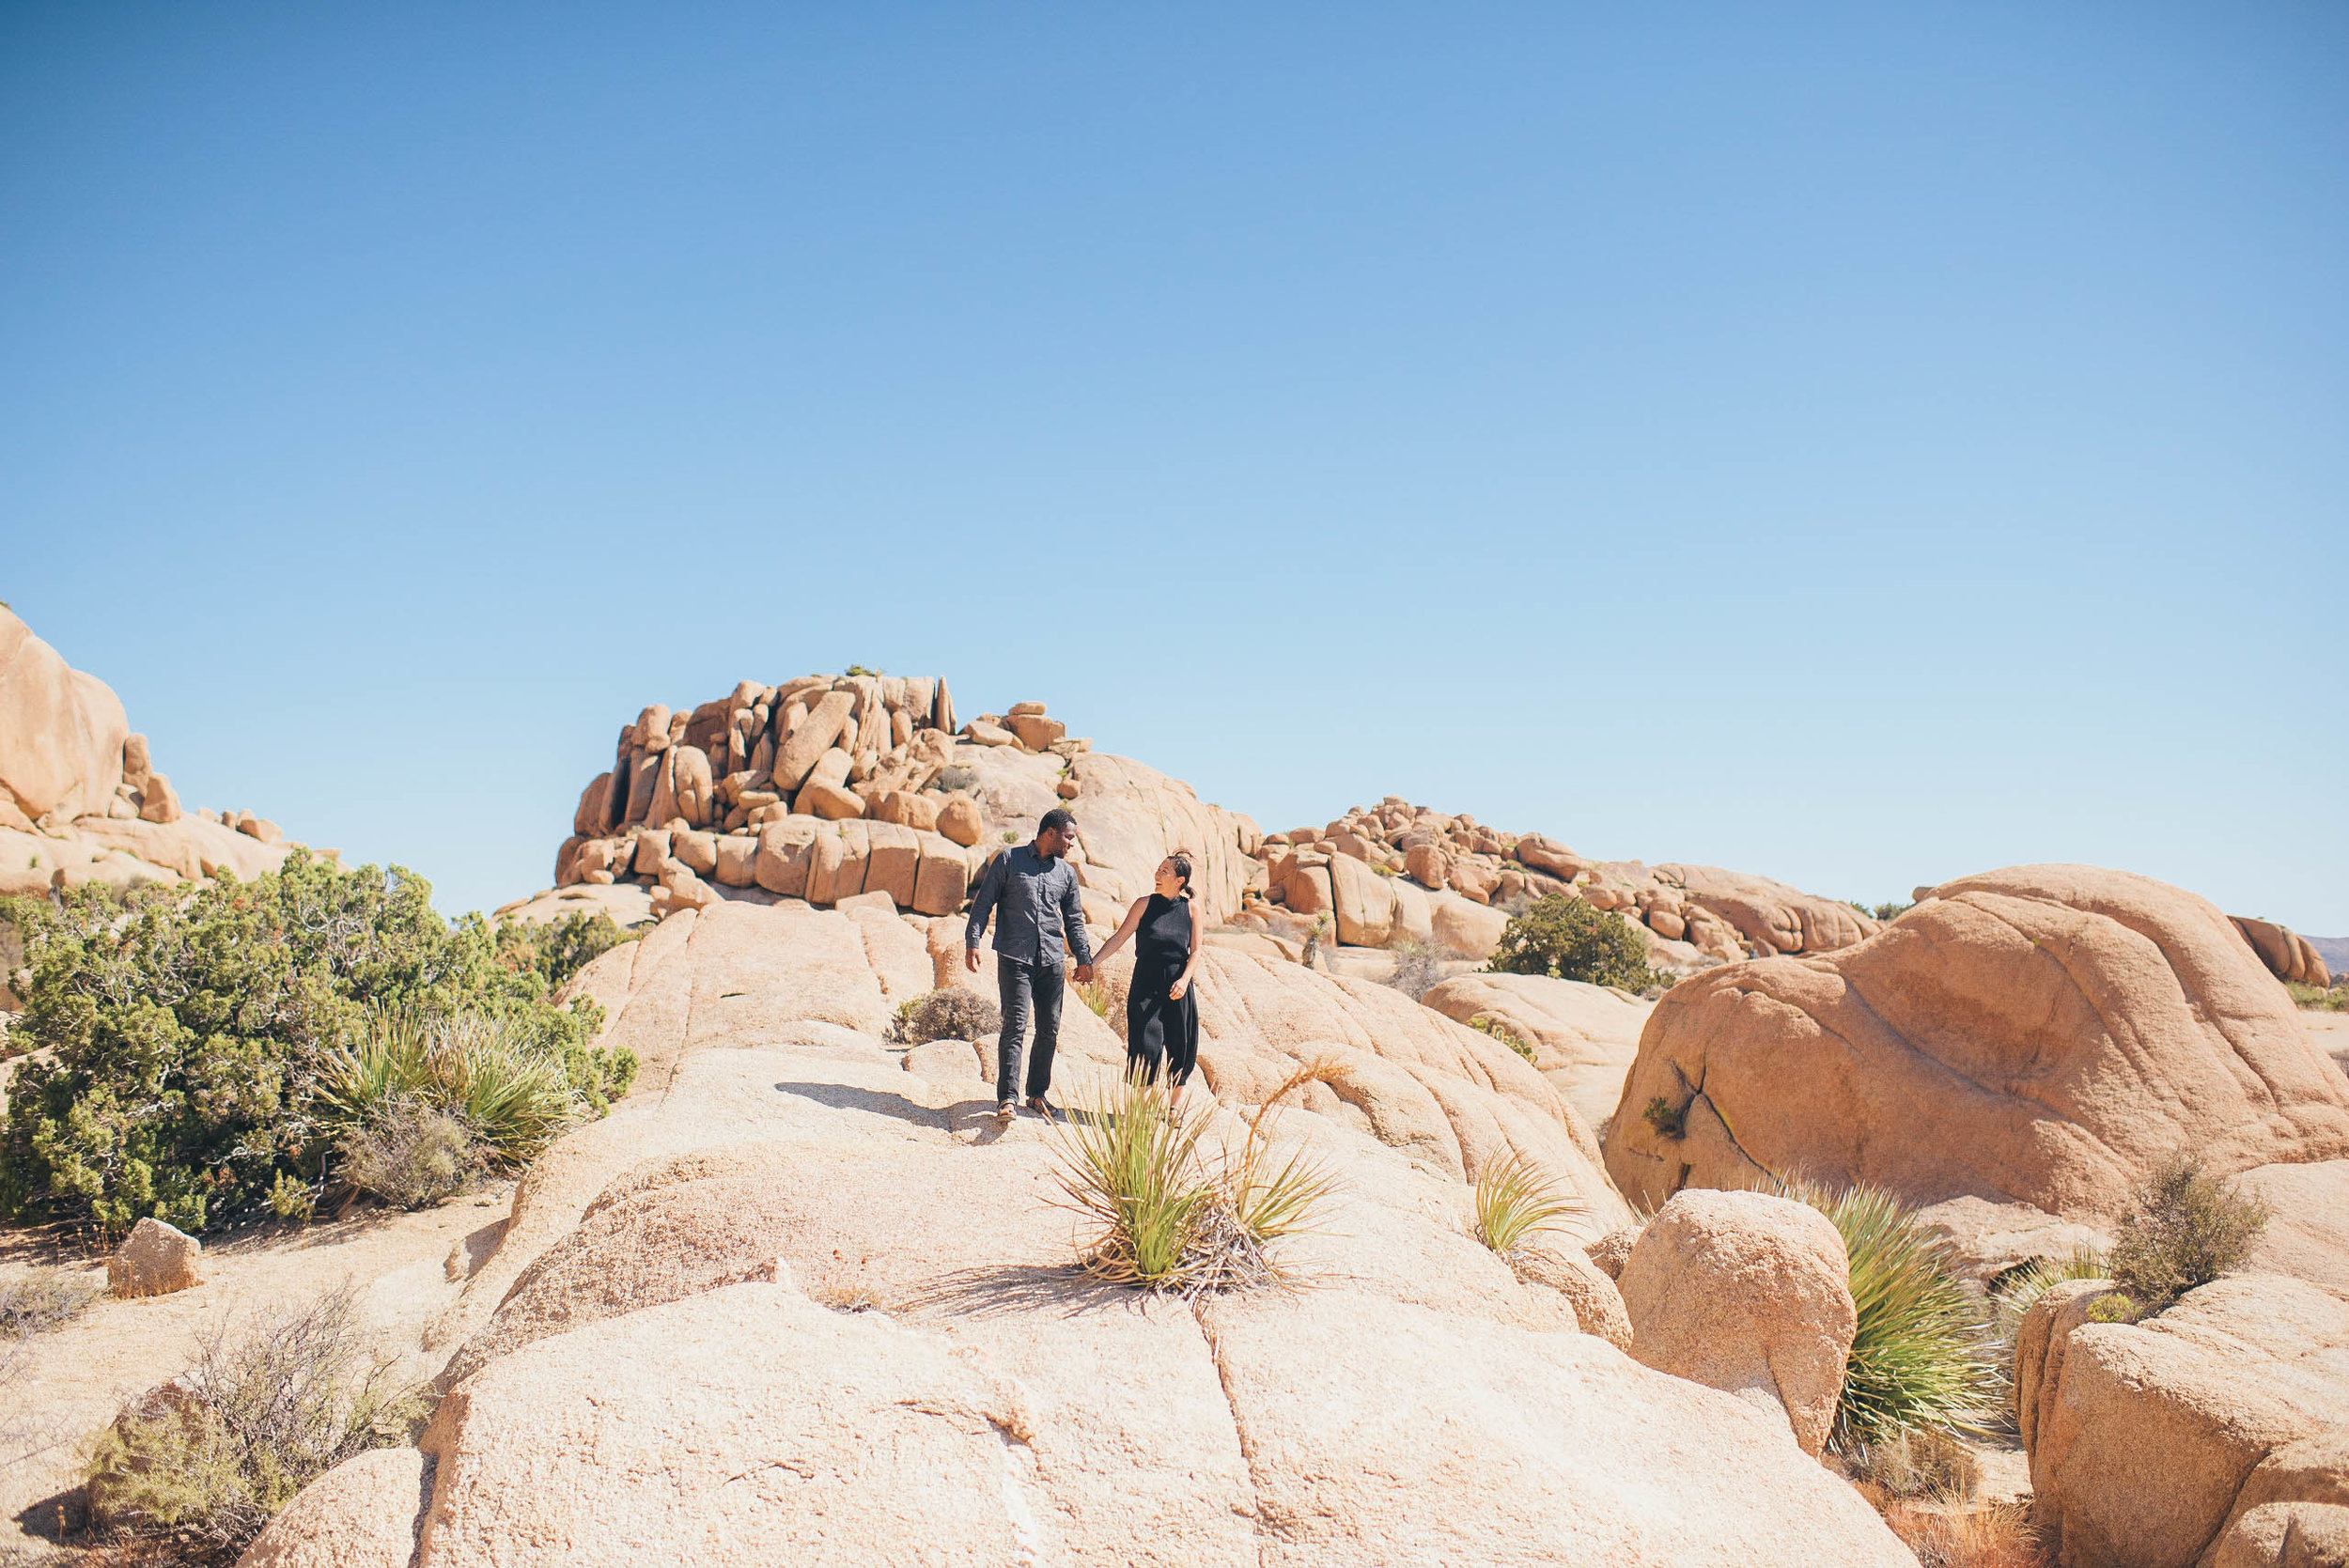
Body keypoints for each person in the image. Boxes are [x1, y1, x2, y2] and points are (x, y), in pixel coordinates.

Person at [965, 807, 1094, 1126]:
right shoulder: (1009, 860)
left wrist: (1084, 959)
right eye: (1069, 837)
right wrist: (973, 941)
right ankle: (1007, 1098)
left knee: (1049, 1028)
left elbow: (1075, 920)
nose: (1071, 844)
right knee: (1015, 1025)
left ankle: (1037, 1094)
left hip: (1051, 961)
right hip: (1015, 958)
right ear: (1050, 833)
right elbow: (984, 903)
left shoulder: (1066, 874)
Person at [1091, 852, 1204, 1111]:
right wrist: (1093, 964)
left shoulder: (1191, 909)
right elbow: (1119, 938)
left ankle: (1174, 1109)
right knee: (1144, 1044)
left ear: (1180, 880)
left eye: (1165, 871)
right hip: (1145, 982)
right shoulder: (1143, 904)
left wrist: (1185, 980)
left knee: (1180, 1044)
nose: (1157, 874)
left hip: (1178, 983)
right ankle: (1141, 1113)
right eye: (1158, 869)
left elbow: (1196, 950)